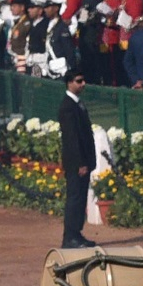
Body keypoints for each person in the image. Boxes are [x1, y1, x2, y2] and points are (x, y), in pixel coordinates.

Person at [57, 70, 96, 248]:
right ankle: (70, 235)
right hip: (76, 163)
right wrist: (80, 162)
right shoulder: (67, 107)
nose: (83, 84)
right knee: (75, 198)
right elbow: (72, 139)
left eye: (83, 80)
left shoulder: (77, 104)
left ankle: (76, 233)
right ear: (69, 83)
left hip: (83, 161)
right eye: (79, 81)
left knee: (80, 198)